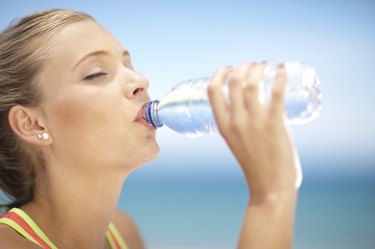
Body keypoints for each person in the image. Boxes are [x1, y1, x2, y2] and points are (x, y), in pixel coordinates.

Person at [0, 9, 302, 249]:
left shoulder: (123, 234)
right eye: (96, 73)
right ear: (33, 124)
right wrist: (270, 196)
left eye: (129, 66)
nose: (140, 80)